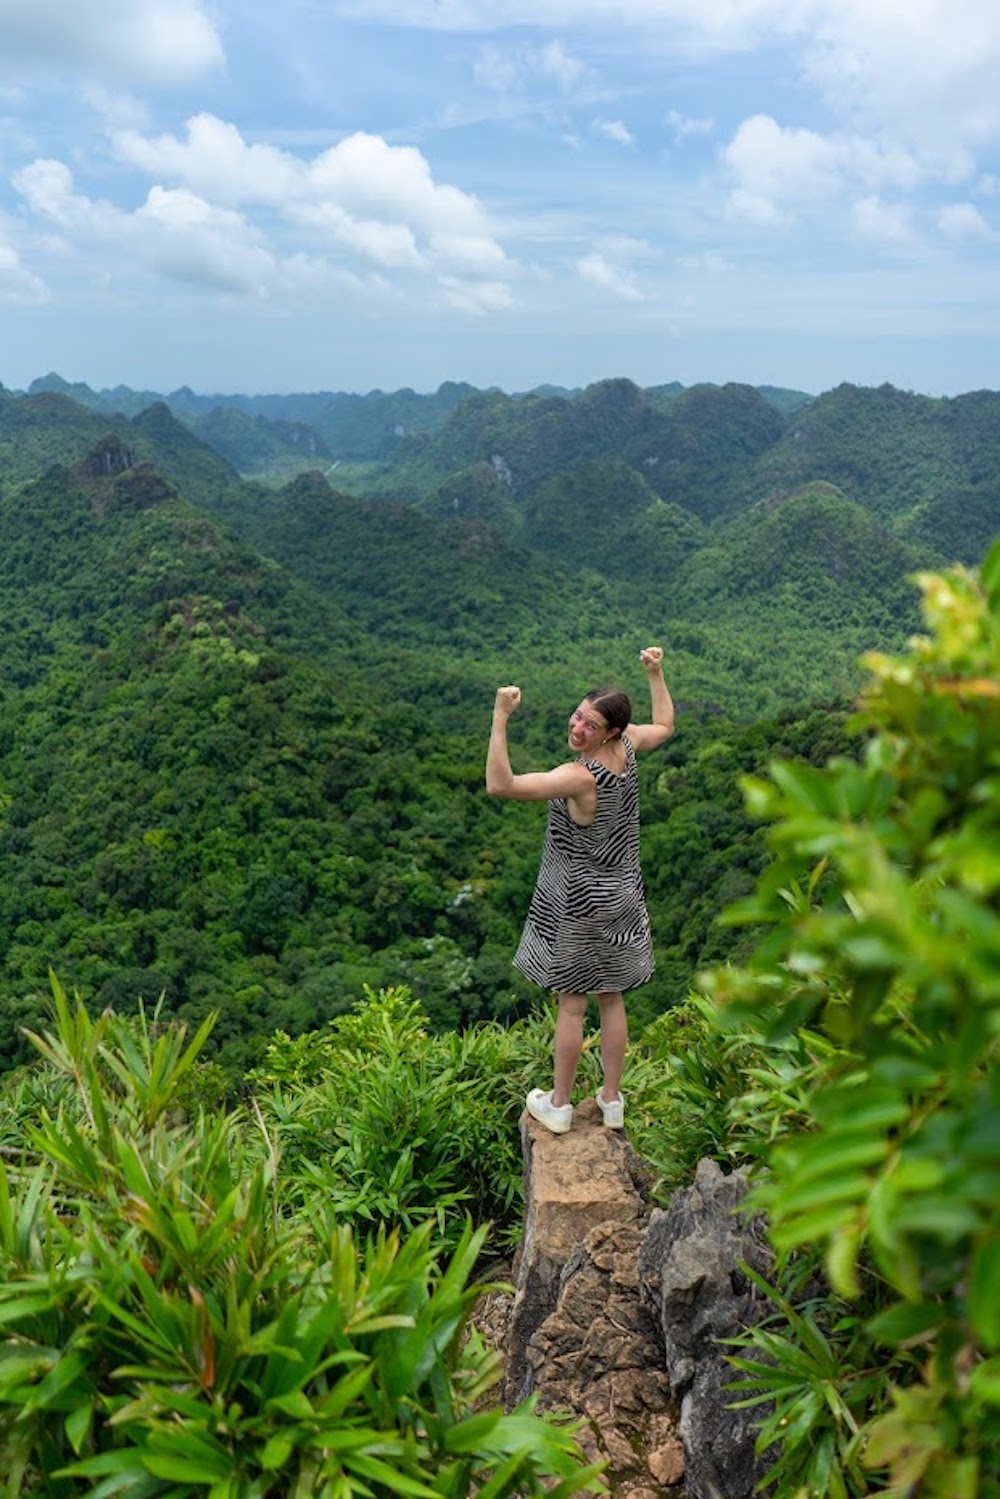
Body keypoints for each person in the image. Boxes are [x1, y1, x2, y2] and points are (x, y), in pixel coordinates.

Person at [486, 647, 675, 1134]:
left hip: (581, 901)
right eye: (577, 716)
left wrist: (501, 718)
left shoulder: (578, 776)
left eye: (589, 725)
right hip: (624, 895)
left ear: (609, 730)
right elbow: (666, 726)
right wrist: (656, 674)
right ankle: (612, 1101)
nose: (577, 728)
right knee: (612, 997)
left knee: (573, 1004)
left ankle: (560, 1105)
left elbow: (500, 785)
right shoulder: (627, 747)